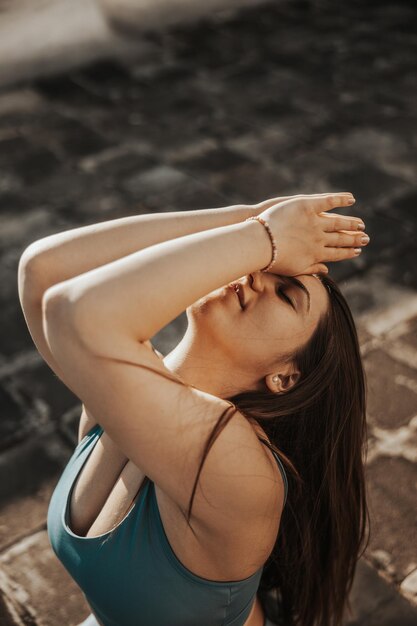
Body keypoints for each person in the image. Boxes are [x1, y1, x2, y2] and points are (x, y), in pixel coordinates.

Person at [18, 192, 371, 626]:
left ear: (286, 377)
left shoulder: (240, 462)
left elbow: (76, 312)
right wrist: (249, 219)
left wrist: (262, 237)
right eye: (263, 265)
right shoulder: (126, 391)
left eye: (286, 293)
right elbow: (42, 272)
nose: (254, 275)